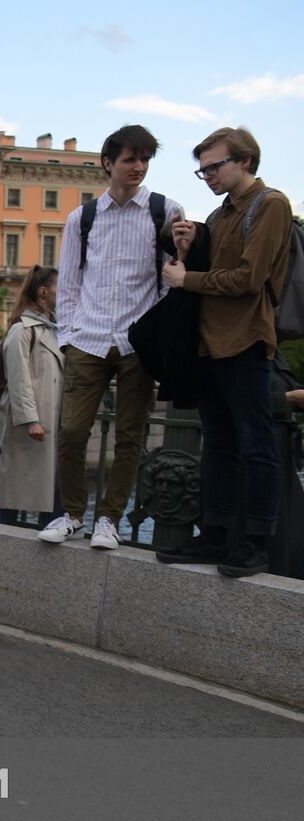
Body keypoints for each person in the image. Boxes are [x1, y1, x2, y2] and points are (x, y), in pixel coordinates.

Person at [39, 125, 183, 549]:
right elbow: (69, 283)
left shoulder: (165, 210)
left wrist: (154, 331)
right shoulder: (82, 218)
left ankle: (109, 518)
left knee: (130, 435)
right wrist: (68, 336)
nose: (138, 167)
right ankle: (71, 514)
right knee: (71, 431)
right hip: (89, 337)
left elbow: (170, 278)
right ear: (108, 163)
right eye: (129, 159)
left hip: (138, 340)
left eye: (144, 160)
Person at [157, 127, 293, 577]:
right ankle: (214, 537)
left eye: (215, 166)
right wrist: (186, 247)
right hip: (210, 343)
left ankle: (255, 545)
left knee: (257, 446)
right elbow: (213, 270)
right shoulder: (218, 214)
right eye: (203, 170)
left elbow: (249, 279)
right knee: (219, 446)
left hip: (247, 340)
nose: (208, 175)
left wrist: (186, 280)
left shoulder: (270, 204)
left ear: (246, 161)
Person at [0, 266, 63, 527]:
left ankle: (50, 530)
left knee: (46, 488)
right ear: (43, 292)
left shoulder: (51, 327)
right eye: (59, 286)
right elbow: (18, 379)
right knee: (15, 490)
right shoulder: (23, 330)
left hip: (48, 422)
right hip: (32, 425)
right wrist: (31, 419)